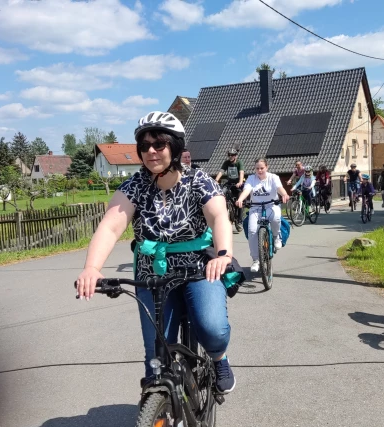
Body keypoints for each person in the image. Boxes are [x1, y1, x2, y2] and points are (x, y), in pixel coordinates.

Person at [75, 111, 237, 394]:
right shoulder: (134, 187)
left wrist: (223, 254)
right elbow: (110, 228)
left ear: (174, 147)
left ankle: (219, 359)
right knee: (156, 357)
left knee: (211, 329)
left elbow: (219, 216)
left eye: (159, 144)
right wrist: (92, 267)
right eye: (145, 146)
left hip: (199, 268)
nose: (151, 151)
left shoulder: (198, 180)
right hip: (152, 273)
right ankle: (160, 422)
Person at [236, 158, 290, 272]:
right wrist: (241, 199)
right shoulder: (251, 178)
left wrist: (284, 194)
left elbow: (279, 188)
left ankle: (276, 237)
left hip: (271, 205)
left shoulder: (273, 177)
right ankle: (256, 260)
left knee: (275, 218)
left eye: (262, 168)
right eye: (257, 168)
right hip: (255, 208)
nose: (259, 171)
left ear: (267, 167)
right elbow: (247, 190)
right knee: (252, 230)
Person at [216, 148, 245, 233]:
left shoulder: (239, 162)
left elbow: (241, 172)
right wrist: (216, 180)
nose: (230, 156)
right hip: (229, 183)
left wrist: (240, 182)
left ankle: (239, 221)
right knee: (222, 194)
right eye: (229, 155)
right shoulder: (226, 163)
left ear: (236, 156)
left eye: (232, 155)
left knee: (240, 201)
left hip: (238, 185)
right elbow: (221, 171)